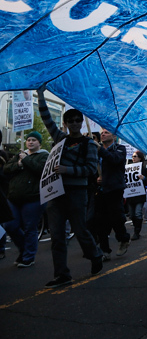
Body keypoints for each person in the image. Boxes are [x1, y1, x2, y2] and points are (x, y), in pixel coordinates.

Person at [38, 88, 103, 288]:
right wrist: (40, 94)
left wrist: (68, 169)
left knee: (80, 230)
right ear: (65, 123)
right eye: (71, 120)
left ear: (81, 122)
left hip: (77, 193)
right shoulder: (60, 139)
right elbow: (46, 117)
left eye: (78, 120)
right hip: (55, 193)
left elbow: (91, 169)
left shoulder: (89, 144)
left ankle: (95, 255)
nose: (75, 123)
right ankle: (62, 274)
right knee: (57, 236)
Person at [2, 131, 49, 266]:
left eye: (34, 140)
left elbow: (41, 170)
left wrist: (26, 160)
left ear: (39, 142)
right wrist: (18, 164)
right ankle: (24, 249)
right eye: (28, 140)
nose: (30, 142)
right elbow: (6, 168)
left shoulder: (44, 156)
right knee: (10, 225)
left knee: (30, 227)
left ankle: (29, 257)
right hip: (14, 197)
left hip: (33, 198)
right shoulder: (20, 155)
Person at [94, 128, 131, 260]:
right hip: (101, 190)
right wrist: (96, 178)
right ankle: (105, 250)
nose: (103, 134)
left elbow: (114, 159)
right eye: (102, 133)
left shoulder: (120, 149)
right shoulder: (97, 151)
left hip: (114, 189)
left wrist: (100, 150)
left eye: (106, 132)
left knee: (116, 218)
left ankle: (123, 239)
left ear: (114, 136)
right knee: (101, 221)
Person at [127, 150, 147, 240]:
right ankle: (136, 228)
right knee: (132, 215)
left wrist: (143, 178)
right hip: (130, 195)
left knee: (138, 213)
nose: (133, 158)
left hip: (139, 195)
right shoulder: (128, 168)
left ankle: (137, 232)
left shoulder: (144, 169)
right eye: (132, 156)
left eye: (135, 156)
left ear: (140, 158)